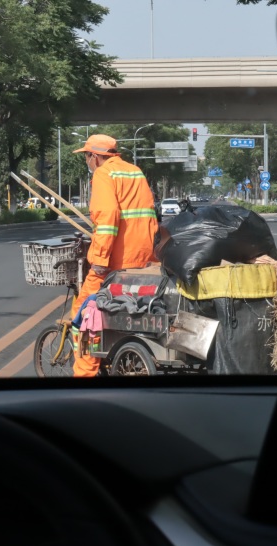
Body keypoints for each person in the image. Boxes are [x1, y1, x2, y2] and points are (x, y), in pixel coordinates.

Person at [70, 134, 159, 377]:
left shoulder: (103, 174)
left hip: (116, 261)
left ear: (95, 156)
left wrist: (99, 259)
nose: (87, 162)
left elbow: (108, 218)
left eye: (87, 157)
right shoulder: (135, 171)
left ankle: (84, 375)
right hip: (145, 258)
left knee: (84, 313)